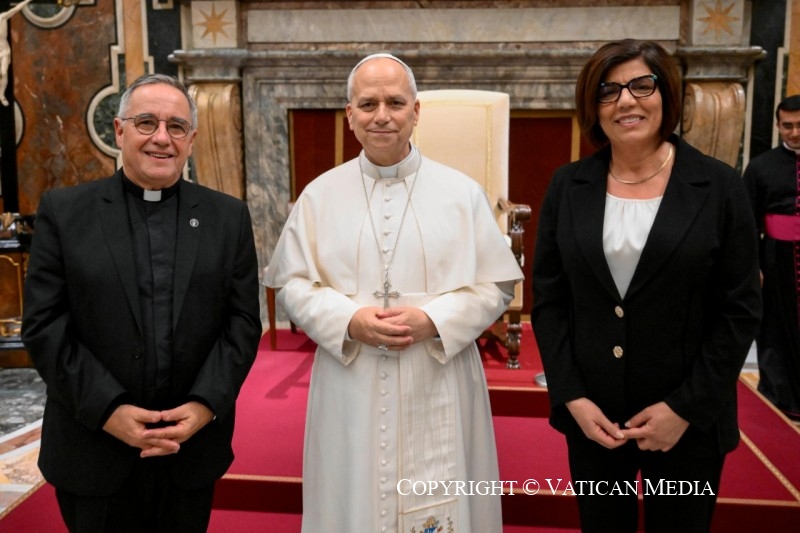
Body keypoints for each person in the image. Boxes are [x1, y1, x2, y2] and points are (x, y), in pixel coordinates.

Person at [264, 53, 523, 533]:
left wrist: (435, 320)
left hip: (437, 368)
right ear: (350, 115)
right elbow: (292, 283)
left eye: (395, 102)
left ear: (416, 112)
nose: (381, 115)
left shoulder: (461, 193)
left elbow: (497, 284)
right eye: (368, 103)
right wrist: (347, 321)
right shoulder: (320, 195)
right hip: (352, 376)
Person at [532, 39, 761, 533]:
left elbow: (740, 309)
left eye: (642, 85)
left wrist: (685, 408)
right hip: (595, 421)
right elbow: (550, 302)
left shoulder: (720, 186)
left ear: (667, 95)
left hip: (687, 422)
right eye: (609, 91)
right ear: (593, 106)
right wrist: (572, 396)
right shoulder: (567, 186)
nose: (627, 101)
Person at [21, 73, 262, 532]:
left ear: (191, 139)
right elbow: (45, 327)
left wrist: (204, 406)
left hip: (189, 449)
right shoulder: (65, 212)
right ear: (119, 131)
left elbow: (243, 322)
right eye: (146, 122)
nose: (161, 138)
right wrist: (108, 411)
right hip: (94, 447)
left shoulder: (227, 217)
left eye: (176, 126)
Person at [743, 95, 800, 422]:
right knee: (775, 332)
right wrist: (753, 267)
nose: (793, 132)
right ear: (778, 125)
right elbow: (745, 222)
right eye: (787, 125)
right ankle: (779, 400)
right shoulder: (761, 167)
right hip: (776, 260)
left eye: (799, 125)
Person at [0, 0, 32, 106]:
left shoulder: (2, 17)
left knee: (3, 72)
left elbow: (16, 9)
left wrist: (27, 0)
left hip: (4, 50)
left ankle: (1, 95)